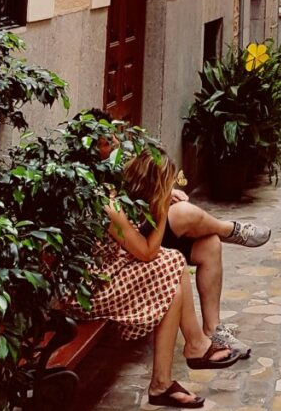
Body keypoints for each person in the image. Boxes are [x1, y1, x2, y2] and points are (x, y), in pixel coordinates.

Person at [72, 150, 242, 409]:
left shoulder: (123, 197)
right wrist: (163, 206)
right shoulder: (110, 205)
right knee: (170, 261)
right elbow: (147, 251)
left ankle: (164, 380)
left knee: (172, 268)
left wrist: (162, 201)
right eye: (166, 184)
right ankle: (190, 351)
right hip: (89, 291)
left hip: (106, 272)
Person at [89, 109, 269, 351]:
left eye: (113, 137)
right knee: (183, 214)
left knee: (210, 245)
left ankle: (214, 331)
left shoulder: (119, 158)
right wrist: (162, 202)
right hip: (127, 250)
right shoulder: (90, 181)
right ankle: (232, 230)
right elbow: (142, 247)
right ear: (89, 148)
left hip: (135, 233)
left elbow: (137, 189)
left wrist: (164, 193)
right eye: (105, 142)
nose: (113, 144)